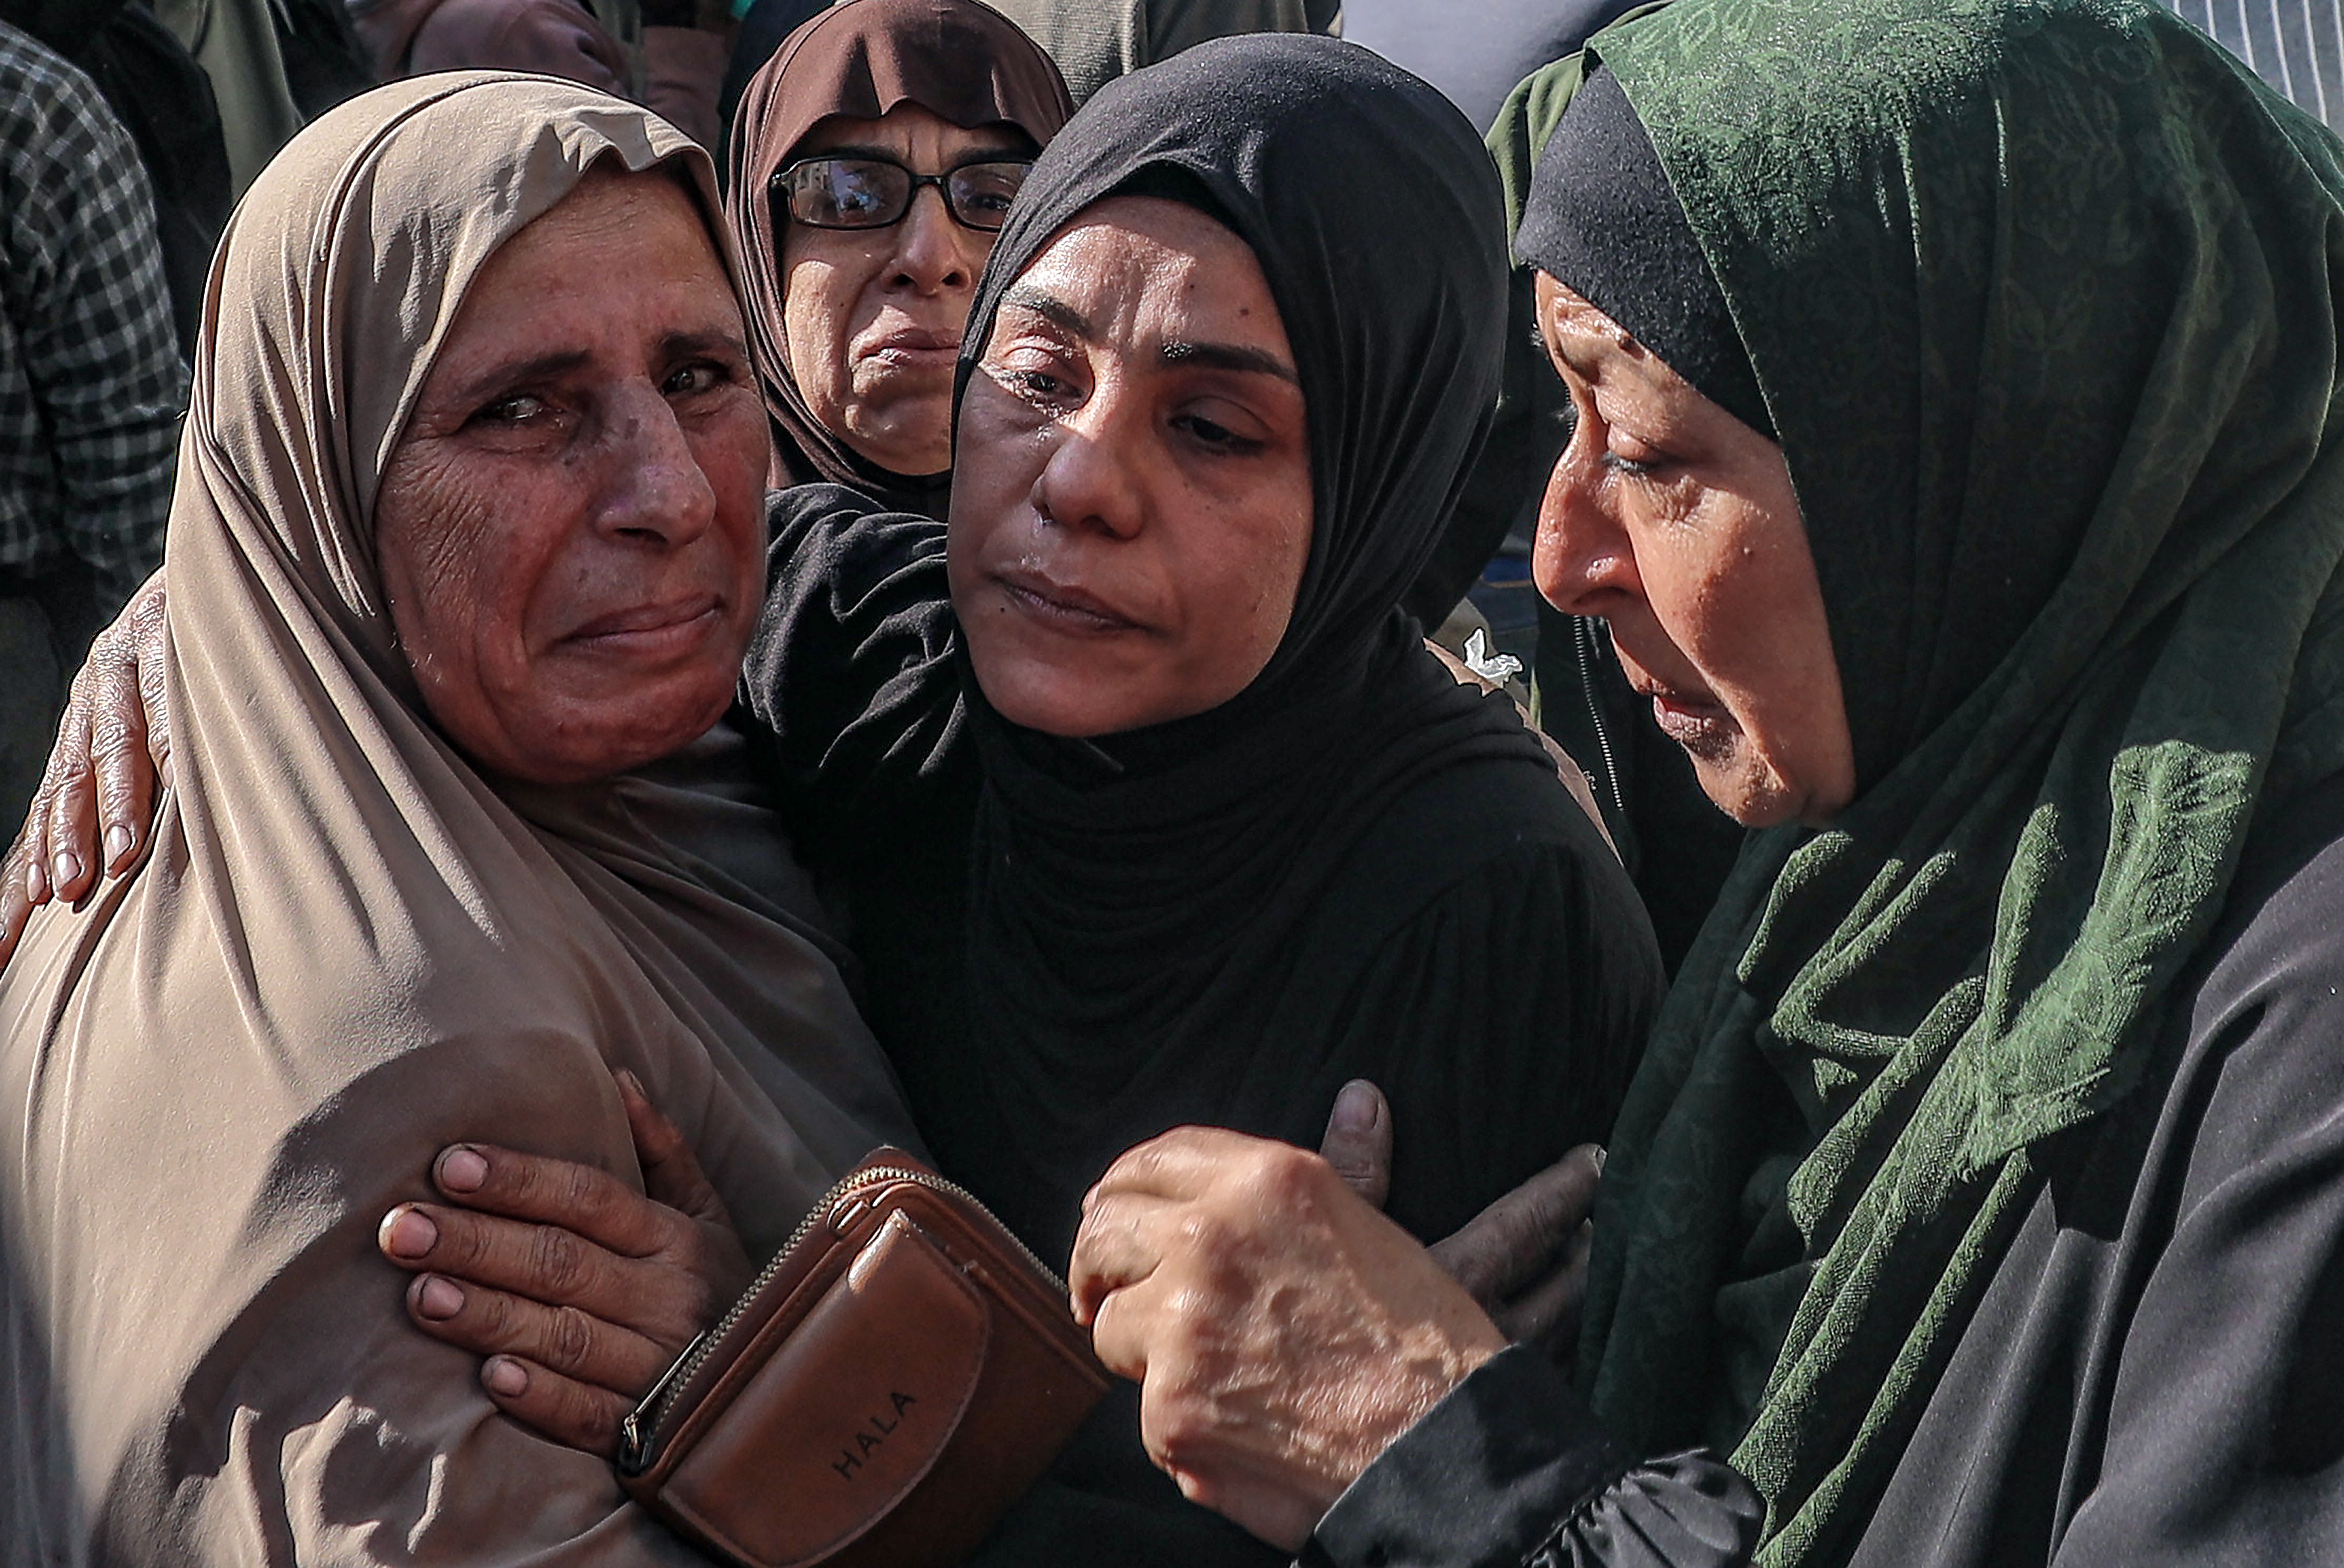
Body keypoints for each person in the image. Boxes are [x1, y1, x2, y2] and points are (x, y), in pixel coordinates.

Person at [1042, 0, 2344, 1563]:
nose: (1559, 556)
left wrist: (1433, 1453)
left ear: (1982, 450)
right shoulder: (1853, 893)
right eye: (1557, 415)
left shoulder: (2295, 1051)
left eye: (1652, 452)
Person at [0, 71, 918, 1561]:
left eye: (698, 373)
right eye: (522, 407)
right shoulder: (409, 1098)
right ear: (316, 482)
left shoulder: (603, 777)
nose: (672, 492)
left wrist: (773, 1351)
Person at [726, 0, 1072, 516]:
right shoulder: (675, 559)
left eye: (994, 200)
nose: (930, 261)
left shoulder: (1169, 567)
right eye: (852, 199)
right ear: (761, 248)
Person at [0, 19, 183, 823]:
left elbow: (129, 446)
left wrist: (133, 692)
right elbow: (132, 445)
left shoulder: (31, 109)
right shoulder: (34, 102)